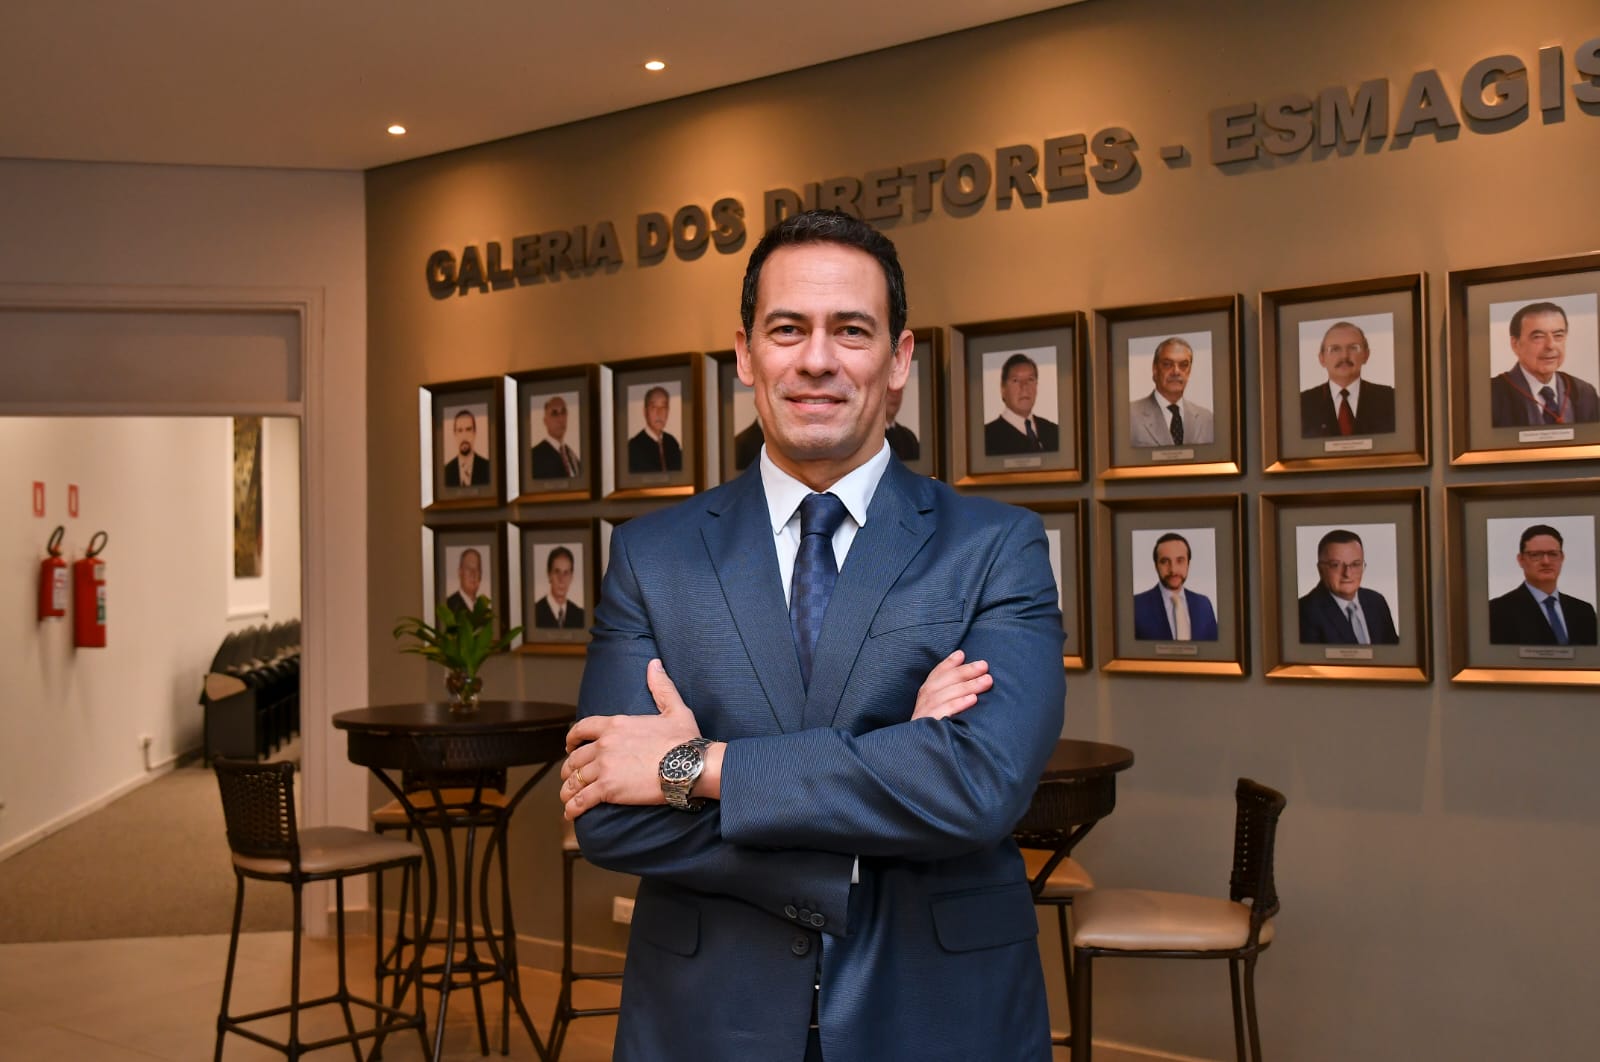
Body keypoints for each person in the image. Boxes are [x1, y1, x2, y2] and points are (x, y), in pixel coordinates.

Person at [559, 209, 1065, 1062]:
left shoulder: (995, 547)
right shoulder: (652, 556)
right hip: (708, 1021)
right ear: (746, 353)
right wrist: (897, 766)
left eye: (852, 330)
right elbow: (609, 816)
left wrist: (695, 768)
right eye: (787, 329)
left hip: (939, 1016)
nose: (817, 359)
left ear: (899, 359)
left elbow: (978, 786)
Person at [1489, 302, 1600, 427]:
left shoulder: (1585, 393)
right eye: (1538, 337)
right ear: (1515, 344)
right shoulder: (1490, 395)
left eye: (1558, 335)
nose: (1550, 345)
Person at [1488, 524, 1598, 645]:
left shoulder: (1584, 611)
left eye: (1553, 554)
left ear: (1562, 558)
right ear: (1521, 560)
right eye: (1536, 555)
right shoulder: (1497, 611)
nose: (1546, 561)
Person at [1297, 529, 1399, 645]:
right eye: (1335, 565)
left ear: (1363, 566)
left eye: (1355, 564)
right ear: (1320, 569)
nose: (1347, 574)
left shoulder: (1376, 601)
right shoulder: (1304, 612)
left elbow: (1394, 651)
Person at [1299, 321, 1397, 437]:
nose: (1344, 356)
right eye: (1335, 349)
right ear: (1322, 358)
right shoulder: (1302, 404)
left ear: (1366, 355)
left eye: (1353, 348)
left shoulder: (1390, 399)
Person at [1131, 532, 1219, 641]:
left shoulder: (1204, 604)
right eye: (1165, 561)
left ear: (1188, 564)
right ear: (1156, 565)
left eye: (1180, 561)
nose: (1173, 570)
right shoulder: (1135, 606)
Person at [1129, 337, 1215, 447]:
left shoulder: (1207, 419)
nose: (1176, 371)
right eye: (1167, 364)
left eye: (1183, 365)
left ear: (1189, 371)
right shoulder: (1130, 416)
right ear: (1155, 370)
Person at [983, 352, 1059, 455]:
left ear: (1036, 386)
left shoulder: (1054, 432)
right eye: (1016, 380)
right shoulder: (987, 438)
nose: (1024, 386)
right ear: (1003, 389)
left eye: (1030, 379)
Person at [627, 385, 684, 472]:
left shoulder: (672, 443)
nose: (659, 413)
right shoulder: (633, 447)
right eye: (654, 407)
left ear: (668, 411)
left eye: (663, 407)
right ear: (645, 412)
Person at [530, 395, 581, 479]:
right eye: (554, 414)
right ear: (545, 421)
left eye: (563, 412)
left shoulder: (572, 457)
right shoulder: (534, 456)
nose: (561, 419)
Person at [533, 546, 585, 629]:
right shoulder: (534, 613)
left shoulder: (581, 616)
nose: (561, 579)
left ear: (571, 577)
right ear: (549, 575)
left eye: (566, 573)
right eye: (557, 572)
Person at [442, 409, 491, 486]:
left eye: (468, 430)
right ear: (455, 434)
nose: (464, 436)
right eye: (460, 430)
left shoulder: (487, 468)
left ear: (474, 433)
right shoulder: (446, 471)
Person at [443, 548, 487, 615]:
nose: (473, 574)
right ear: (460, 572)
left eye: (477, 569)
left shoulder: (484, 611)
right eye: (468, 568)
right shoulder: (448, 607)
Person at [883, 384, 920, 461]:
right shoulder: (867, 438)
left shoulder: (909, 438)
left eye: (899, 389)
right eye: (889, 389)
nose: (895, 395)